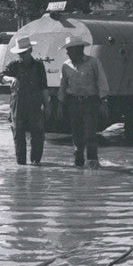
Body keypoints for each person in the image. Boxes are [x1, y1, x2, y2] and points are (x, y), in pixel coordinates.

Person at [57, 36, 109, 168]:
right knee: (76, 135)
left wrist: (104, 101)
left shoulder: (93, 62)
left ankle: (92, 163)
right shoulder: (66, 65)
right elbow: (63, 87)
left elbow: (101, 82)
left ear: (78, 49)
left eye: (69, 49)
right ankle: (78, 165)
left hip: (90, 102)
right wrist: (60, 104)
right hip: (73, 102)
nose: (67, 52)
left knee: (90, 134)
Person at [0, 36, 49, 165]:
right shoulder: (13, 65)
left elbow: (44, 87)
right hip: (18, 104)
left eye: (24, 53)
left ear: (30, 50)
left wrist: (47, 106)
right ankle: (21, 164)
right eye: (19, 53)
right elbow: (0, 77)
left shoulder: (38, 66)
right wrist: (11, 79)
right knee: (18, 135)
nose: (21, 56)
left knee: (37, 135)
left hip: (35, 104)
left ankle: (36, 163)